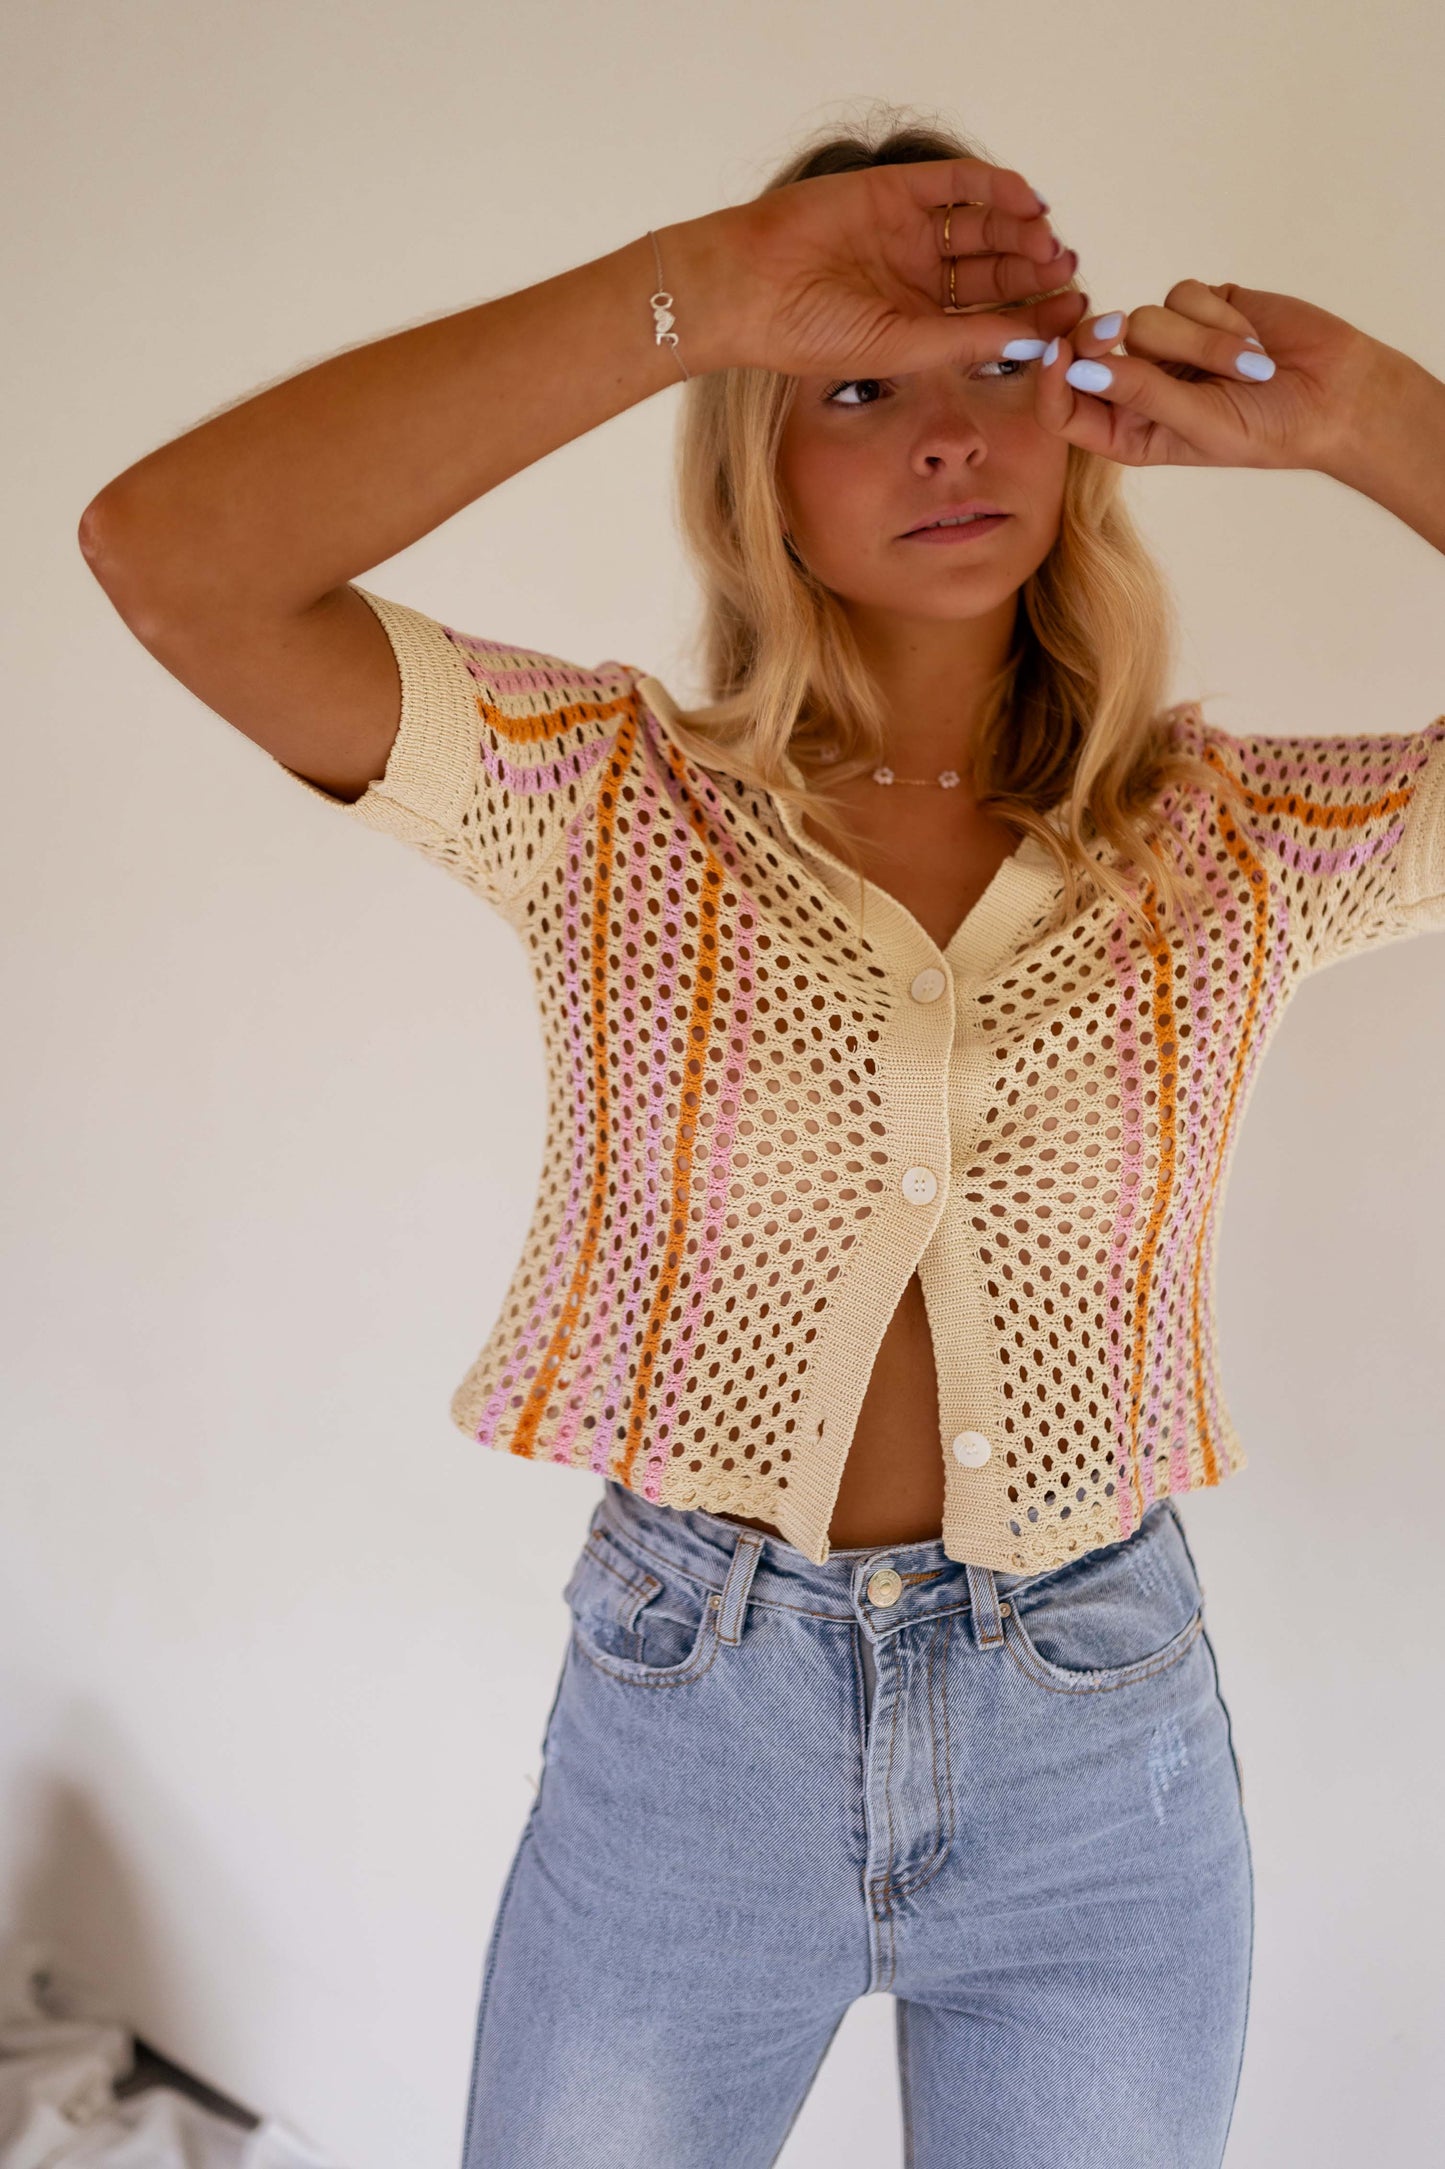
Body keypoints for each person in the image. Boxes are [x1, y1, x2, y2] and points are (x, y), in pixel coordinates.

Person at [77, 105, 1445, 2169]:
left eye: (1004, 369)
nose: (951, 437)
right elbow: (170, 556)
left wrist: (1373, 418)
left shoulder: (1224, 843)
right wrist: (699, 289)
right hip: (691, 1724)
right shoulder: (606, 796)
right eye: (859, 388)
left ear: (1080, 420)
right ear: (756, 461)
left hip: (1100, 1746)